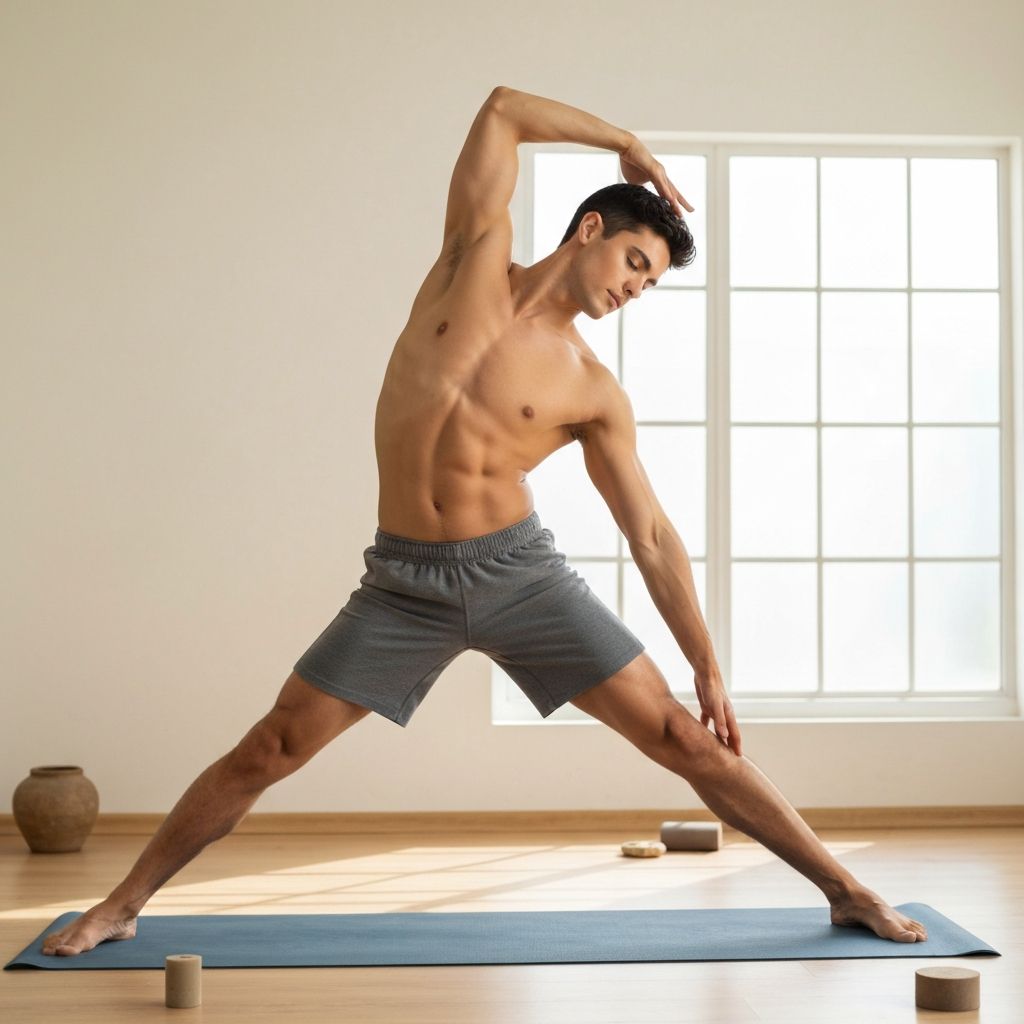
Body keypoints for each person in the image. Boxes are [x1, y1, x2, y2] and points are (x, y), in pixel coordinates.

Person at [42, 86, 926, 956]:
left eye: (650, 283)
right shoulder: (468, 265)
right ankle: (123, 904)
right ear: (591, 230)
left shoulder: (591, 389)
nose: (636, 291)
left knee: (680, 739)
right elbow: (503, 109)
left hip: (519, 576)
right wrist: (626, 142)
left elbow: (650, 534)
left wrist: (709, 668)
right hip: (403, 584)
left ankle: (849, 891)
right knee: (270, 746)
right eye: (634, 265)